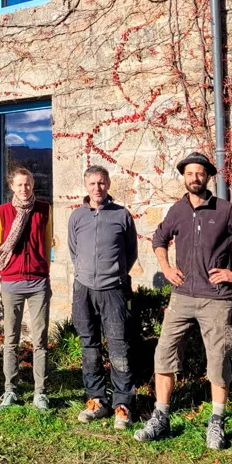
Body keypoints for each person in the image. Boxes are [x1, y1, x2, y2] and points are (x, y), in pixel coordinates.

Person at [135, 152, 232, 449]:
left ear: (208, 176)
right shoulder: (177, 211)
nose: (194, 178)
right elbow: (158, 240)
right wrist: (167, 268)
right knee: (164, 355)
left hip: (216, 300)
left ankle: (216, 423)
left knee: (218, 361)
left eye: (200, 173)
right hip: (182, 296)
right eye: (189, 173)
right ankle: (161, 417)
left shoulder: (225, 210)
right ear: (183, 176)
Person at [68, 165, 138, 429]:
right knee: (89, 346)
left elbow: (130, 253)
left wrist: (113, 275)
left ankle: (123, 405)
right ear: (86, 186)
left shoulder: (122, 215)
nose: (97, 188)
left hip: (114, 291)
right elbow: (74, 251)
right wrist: (88, 275)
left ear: (108, 185)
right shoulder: (77, 217)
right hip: (83, 289)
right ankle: (96, 399)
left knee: (119, 348)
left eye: (102, 183)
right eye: (92, 183)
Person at [0, 167, 53, 411]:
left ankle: (40, 392)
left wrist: (43, 272)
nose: (24, 188)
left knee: (40, 339)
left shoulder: (44, 209)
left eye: (27, 184)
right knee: (11, 339)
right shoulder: (3, 211)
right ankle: (10, 390)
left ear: (32, 185)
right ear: (12, 187)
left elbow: (47, 243)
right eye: (19, 185)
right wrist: (6, 272)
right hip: (11, 281)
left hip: (37, 281)